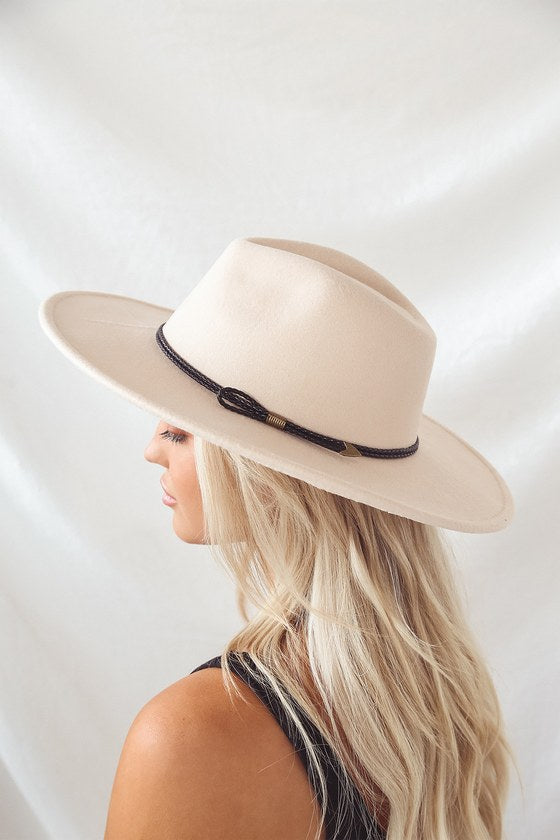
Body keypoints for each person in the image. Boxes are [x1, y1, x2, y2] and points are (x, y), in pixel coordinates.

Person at [39, 236, 519, 840]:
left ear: (269, 477)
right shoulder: (436, 703)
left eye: (181, 433)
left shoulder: (192, 736)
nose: (151, 449)